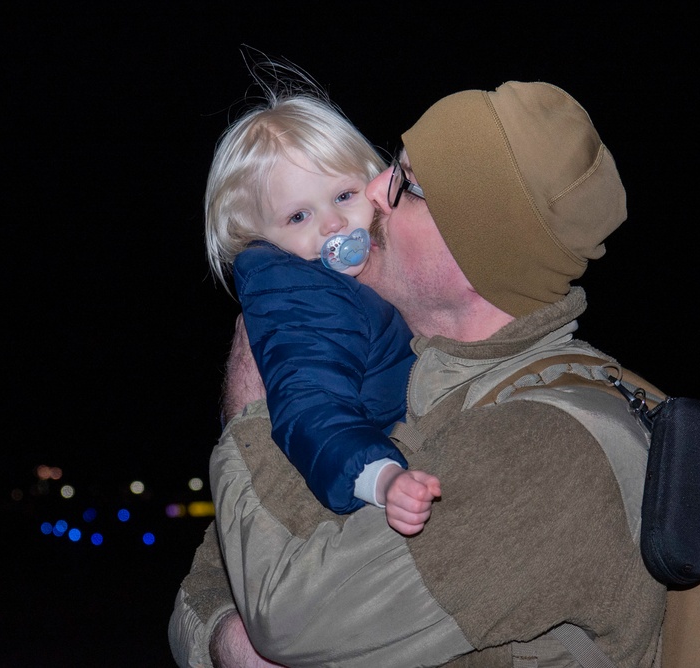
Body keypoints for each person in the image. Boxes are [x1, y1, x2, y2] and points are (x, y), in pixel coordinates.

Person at [171, 80, 667, 667]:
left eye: (411, 183)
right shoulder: (418, 388)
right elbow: (206, 589)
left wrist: (252, 406)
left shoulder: (544, 448)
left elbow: (280, 616)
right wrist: (228, 637)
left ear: (477, 246)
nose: (376, 186)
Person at [204, 80, 440, 534]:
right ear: (258, 236)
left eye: (343, 196)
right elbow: (309, 403)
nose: (333, 224)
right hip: (349, 485)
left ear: (372, 184)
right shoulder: (300, 291)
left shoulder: (358, 284)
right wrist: (381, 476)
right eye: (298, 216)